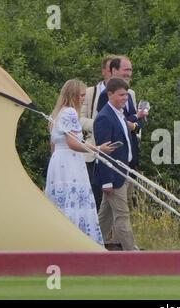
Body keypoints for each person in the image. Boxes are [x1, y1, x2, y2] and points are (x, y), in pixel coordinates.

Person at [45, 79, 114, 245]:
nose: (84, 99)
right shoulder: (70, 113)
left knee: (62, 202)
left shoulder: (59, 112)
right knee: (74, 201)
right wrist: (98, 149)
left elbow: (54, 144)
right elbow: (73, 144)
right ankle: (77, 242)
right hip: (69, 162)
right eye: (82, 95)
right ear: (74, 96)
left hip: (58, 162)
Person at [96, 56, 148, 210]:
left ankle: (101, 234)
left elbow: (137, 125)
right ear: (113, 71)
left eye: (131, 70)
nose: (129, 73)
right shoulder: (105, 95)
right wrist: (133, 121)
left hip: (130, 156)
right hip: (115, 159)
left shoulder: (130, 94)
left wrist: (136, 122)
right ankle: (120, 235)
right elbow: (111, 122)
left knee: (110, 211)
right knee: (121, 212)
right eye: (126, 70)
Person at [93, 78, 139, 251]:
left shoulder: (120, 114)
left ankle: (92, 245)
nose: (125, 98)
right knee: (122, 214)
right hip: (113, 174)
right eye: (121, 95)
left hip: (123, 170)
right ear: (110, 94)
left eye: (126, 95)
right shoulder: (104, 117)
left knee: (105, 216)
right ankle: (131, 253)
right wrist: (107, 181)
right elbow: (104, 153)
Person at [80, 54, 117, 211]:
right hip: (93, 151)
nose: (112, 74)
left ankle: (111, 234)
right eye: (110, 70)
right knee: (94, 195)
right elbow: (80, 119)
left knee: (115, 200)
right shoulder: (90, 92)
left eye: (115, 70)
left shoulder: (129, 93)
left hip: (116, 152)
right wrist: (101, 125)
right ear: (104, 71)